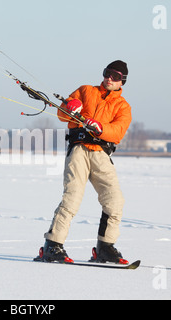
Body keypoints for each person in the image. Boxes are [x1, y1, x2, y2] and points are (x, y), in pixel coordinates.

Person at [39, 60, 132, 264]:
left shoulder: (123, 106)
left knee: (115, 201)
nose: (109, 78)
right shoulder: (85, 90)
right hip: (79, 149)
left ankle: (105, 247)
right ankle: (52, 245)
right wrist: (68, 107)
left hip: (101, 154)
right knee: (72, 198)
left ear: (121, 82)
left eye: (115, 76)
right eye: (108, 73)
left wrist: (100, 127)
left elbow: (118, 131)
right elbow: (62, 114)